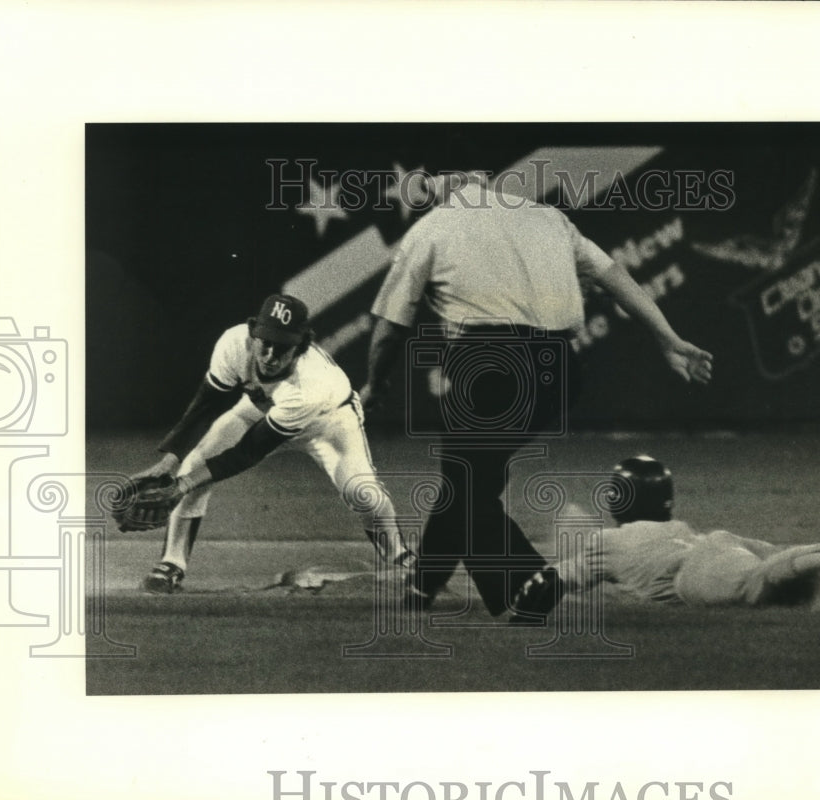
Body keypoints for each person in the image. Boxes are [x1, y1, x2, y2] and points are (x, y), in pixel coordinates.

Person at [361, 172, 713, 622]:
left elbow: (390, 329)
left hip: (487, 366)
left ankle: (527, 584)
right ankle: (422, 590)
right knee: (467, 484)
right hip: (559, 369)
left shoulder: (434, 226)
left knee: (466, 487)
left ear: (449, 186)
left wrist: (376, 383)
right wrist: (667, 337)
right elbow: (616, 277)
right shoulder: (547, 217)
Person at [133, 293, 412, 593]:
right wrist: (169, 461)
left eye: (282, 347)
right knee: (193, 464)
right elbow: (206, 405)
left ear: (302, 345)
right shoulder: (233, 343)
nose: (269, 355)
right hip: (260, 407)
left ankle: (400, 555)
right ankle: (171, 564)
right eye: (264, 341)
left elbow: (248, 452)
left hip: (330, 422)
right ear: (252, 332)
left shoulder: (309, 385)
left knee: (362, 493)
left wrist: (182, 485)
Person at [553, 455, 820, 613]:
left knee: (758, 581)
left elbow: (557, 579)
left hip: (696, 571)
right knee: (780, 563)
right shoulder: (672, 529)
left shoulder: (608, 543)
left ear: (618, 502)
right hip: (718, 544)